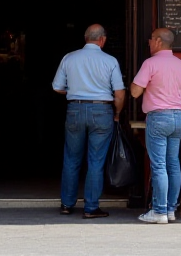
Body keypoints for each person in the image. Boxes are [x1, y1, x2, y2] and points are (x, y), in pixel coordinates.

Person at [51, 24, 124, 219]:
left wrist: (75, 92)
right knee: (96, 161)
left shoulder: (69, 57)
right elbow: (119, 93)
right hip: (102, 110)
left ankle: (66, 204)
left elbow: (57, 87)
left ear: (85, 38)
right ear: (103, 40)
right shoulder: (110, 61)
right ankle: (91, 208)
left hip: (74, 109)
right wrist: (116, 114)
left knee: (71, 158)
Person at [130, 28, 181, 224]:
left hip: (158, 117)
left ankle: (159, 211)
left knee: (159, 166)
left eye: (150, 39)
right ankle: (171, 209)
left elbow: (135, 92)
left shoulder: (150, 63)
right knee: (173, 164)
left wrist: (135, 85)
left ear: (157, 41)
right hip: (178, 117)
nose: (148, 42)